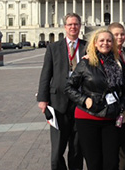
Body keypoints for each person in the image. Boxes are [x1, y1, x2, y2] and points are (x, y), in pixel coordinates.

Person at [65, 29, 125, 170]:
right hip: (88, 117)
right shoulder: (86, 63)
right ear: (95, 43)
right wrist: (84, 100)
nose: (105, 43)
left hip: (111, 117)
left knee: (111, 162)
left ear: (113, 44)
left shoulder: (118, 64)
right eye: (101, 40)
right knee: (94, 163)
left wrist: (121, 106)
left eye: (108, 40)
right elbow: (69, 87)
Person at [37, 13, 86, 170]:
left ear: (80, 26)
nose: (73, 27)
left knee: (77, 149)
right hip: (58, 103)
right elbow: (46, 74)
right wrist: (43, 99)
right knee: (57, 151)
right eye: (70, 24)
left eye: (76, 24)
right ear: (65, 27)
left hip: (81, 103)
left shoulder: (88, 46)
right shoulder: (54, 47)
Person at [108, 22, 125, 170]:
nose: (120, 37)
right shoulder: (102, 57)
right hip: (110, 110)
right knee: (111, 149)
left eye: (122, 34)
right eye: (116, 34)